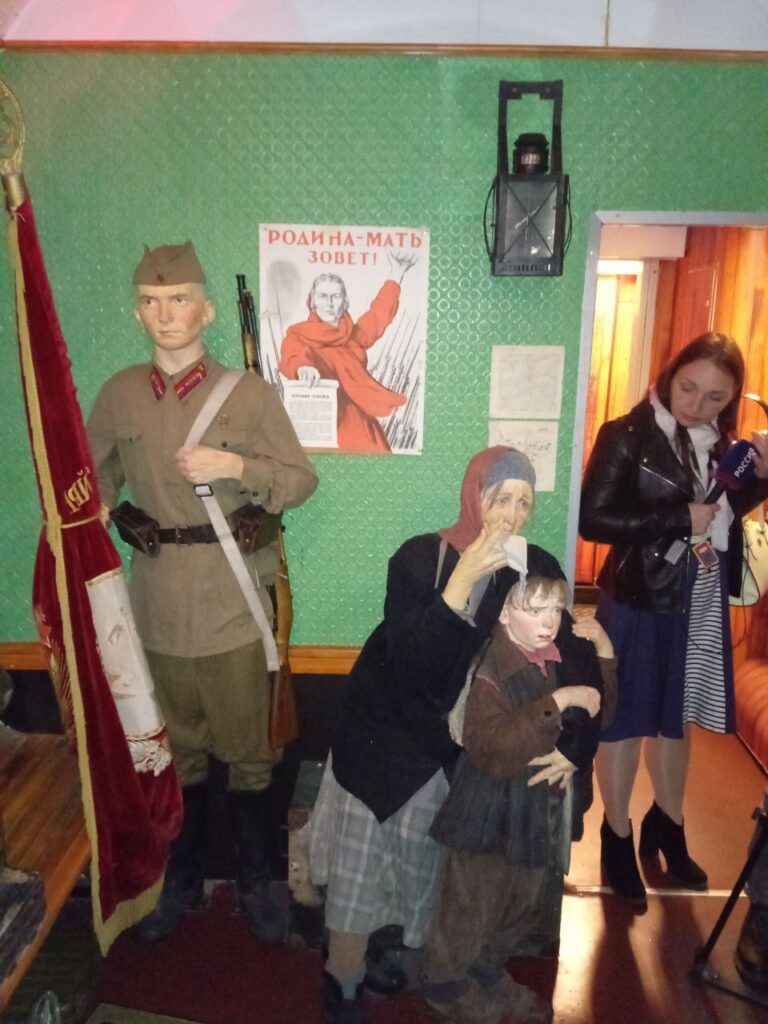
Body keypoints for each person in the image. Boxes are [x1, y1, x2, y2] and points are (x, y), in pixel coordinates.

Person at [307, 446, 605, 1024]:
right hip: (385, 731)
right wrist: (465, 576)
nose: (511, 515)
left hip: (465, 741)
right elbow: (413, 663)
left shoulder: (535, 565)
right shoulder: (422, 557)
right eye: (501, 498)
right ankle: (342, 976)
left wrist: (575, 745)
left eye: (524, 502)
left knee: (432, 867)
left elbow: (571, 656)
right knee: (361, 863)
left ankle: (403, 957)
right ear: (475, 495)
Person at [86, 241, 318, 943]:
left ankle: (256, 881)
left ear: (207, 311)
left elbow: (300, 480)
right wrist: (100, 506)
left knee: (249, 753)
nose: (166, 314)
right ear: (137, 312)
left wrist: (235, 465)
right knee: (176, 751)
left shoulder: (248, 394)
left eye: (180, 299)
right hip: (156, 604)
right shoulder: (120, 394)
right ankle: (181, 879)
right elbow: (90, 476)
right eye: (151, 302)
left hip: (231, 604)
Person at [579, 333, 768, 909]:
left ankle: (668, 823)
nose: (696, 405)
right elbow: (593, 519)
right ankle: (617, 835)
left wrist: (763, 477)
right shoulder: (626, 434)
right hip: (638, 599)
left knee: (677, 720)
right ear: (669, 373)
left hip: (699, 597)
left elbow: (722, 512)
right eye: (688, 387)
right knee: (625, 722)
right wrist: (674, 517)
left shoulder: (723, 447)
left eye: (715, 397)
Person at [420, 580, 615, 1024]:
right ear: (505, 614)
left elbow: (601, 711)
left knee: (521, 900)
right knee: (470, 904)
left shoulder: (554, 656)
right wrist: (558, 701)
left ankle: (484, 970)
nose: (548, 622)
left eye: (555, 610)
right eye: (534, 609)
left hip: (532, 810)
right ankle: (445, 986)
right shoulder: (491, 668)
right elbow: (491, 747)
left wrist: (604, 652)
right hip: (487, 810)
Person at [278, 251, 417, 453]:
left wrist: (397, 273)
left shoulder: (352, 336)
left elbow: (378, 315)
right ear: (312, 302)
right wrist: (303, 368)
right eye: (322, 296)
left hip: (360, 425)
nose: (329, 302)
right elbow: (293, 354)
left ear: (344, 302)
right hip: (322, 427)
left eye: (335, 296)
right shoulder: (299, 336)